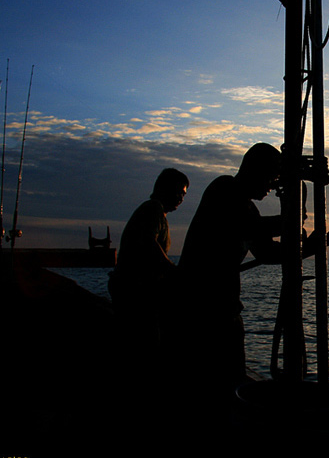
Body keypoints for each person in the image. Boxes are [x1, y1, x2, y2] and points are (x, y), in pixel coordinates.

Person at [174, 143, 283, 395]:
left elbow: (267, 253)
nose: (273, 185)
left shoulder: (248, 209)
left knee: (229, 385)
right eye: (271, 177)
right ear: (254, 170)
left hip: (225, 312)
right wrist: (289, 218)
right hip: (198, 313)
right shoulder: (223, 189)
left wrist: (308, 246)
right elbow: (250, 228)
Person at [108, 167, 189, 348]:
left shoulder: (159, 214)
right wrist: (174, 271)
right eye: (178, 192)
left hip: (137, 291)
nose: (181, 198)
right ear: (163, 188)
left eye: (183, 195)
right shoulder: (152, 209)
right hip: (135, 293)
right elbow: (149, 244)